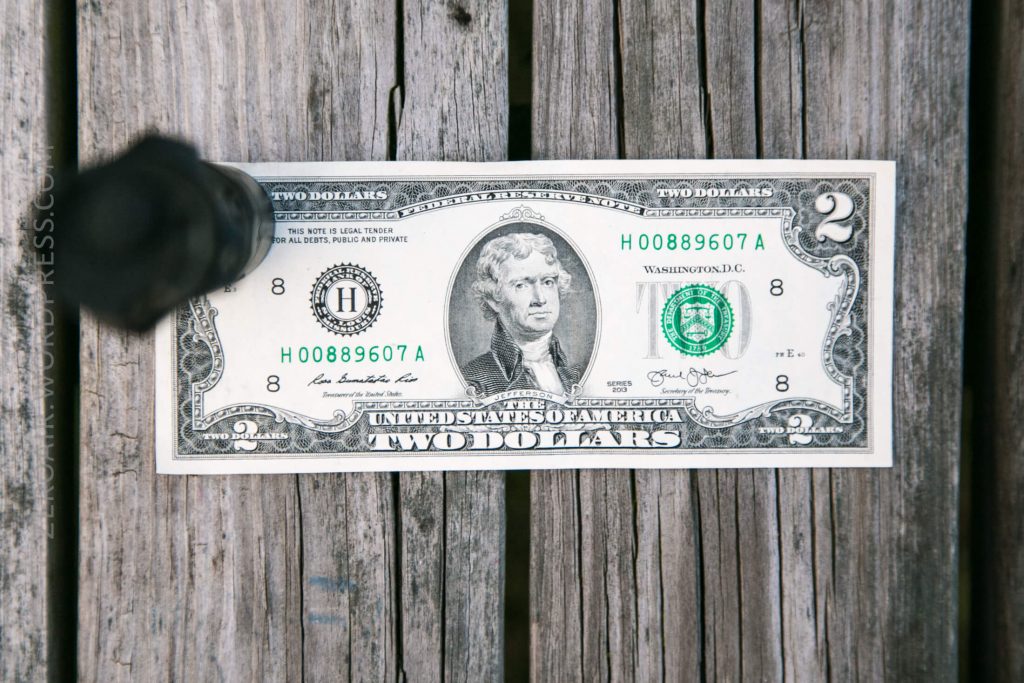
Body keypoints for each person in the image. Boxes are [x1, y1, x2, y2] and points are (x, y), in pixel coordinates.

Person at [461, 232, 582, 397]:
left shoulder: (577, 374)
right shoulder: (474, 380)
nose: (540, 299)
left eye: (547, 282)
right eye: (521, 285)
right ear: (494, 299)